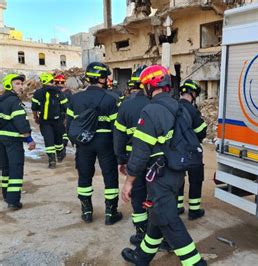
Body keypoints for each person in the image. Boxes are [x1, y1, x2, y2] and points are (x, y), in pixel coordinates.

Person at [121, 65, 206, 265]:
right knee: (158, 216)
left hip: (160, 176)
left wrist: (128, 182)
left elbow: (140, 153)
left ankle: (195, 263)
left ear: (150, 86)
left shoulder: (150, 111)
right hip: (176, 173)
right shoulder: (180, 107)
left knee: (168, 220)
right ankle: (141, 258)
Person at [66, 62, 122, 225]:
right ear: (103, 79)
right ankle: (111, 213)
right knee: (110, 176)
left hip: (83, 142)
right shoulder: (111, 99)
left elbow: (69, 124)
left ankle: (87, 212)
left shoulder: (75, 98)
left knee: (84, 176)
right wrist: (118, 150)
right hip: (105, 143)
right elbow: (116, 127)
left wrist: (74, 142)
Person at [113, 66, 150, 245]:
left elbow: (119, 136)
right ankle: (158, 234)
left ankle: (141, 234)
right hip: (158, 160)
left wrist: (121, 160)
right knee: (158, 195)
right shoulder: (158, 103)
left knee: (138, 195)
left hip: (134, 159)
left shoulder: (126, 105)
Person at [0, 73, 36, 210]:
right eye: (17, 83)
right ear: (9, 85)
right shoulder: (14, 101)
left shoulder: (1, 99)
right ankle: (13, 201)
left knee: (5, 168)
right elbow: (20, 122)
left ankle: (6, 195)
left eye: (21, 84)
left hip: (1, 139)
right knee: (16, 168)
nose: (21, 86)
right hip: (13, 140)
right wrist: (29, 139)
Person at [176, 80, 207, 220]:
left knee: (178, 178)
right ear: (193, 94)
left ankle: (177, 207)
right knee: (195, 179)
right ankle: (194, 210)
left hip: (175, 151)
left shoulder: (172, 106)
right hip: (192, 152)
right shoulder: (192, 111)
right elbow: (201, 132)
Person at [31, 73, 68, 168]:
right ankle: (60, 154)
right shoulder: (59, 92)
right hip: (58, 120)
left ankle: (52, 160)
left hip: (44, 121)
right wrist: (66, 119)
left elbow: (34, 108)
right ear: (51, 81)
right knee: (58, 139)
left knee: (48, 139)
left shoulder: (38, 93)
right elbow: (65, 107)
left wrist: (36, 118)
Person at [54, 74, 72, 148]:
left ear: (55, 82)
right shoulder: (68, 91)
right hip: (65, 113)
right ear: (63, 82)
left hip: (55, 114)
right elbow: (71, 103)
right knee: (65, 130)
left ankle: (57, 144)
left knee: (56, 130)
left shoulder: (52, 91)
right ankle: (64, 143)